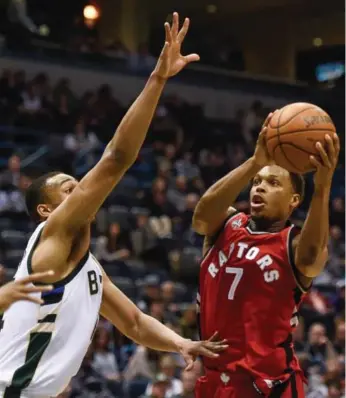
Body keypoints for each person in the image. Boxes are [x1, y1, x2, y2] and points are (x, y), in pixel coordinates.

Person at [0, 13, 227, 398]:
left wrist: (180, 343)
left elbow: (136, 323)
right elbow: (116, 158)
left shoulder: (87, 268)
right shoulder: (54, 234)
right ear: (45, 211)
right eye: (69, 190)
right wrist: (157, 79)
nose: (81, 192)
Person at [192, 112, 340, 398]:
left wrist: (322, 187)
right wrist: (254, 162)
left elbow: (311, 258)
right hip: (215, 381)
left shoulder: (292, 243)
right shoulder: (226, 224)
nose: (259, 186)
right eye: (257, 181)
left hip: (267, 385)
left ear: (293, 200)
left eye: (273, 183)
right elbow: (200, 218)